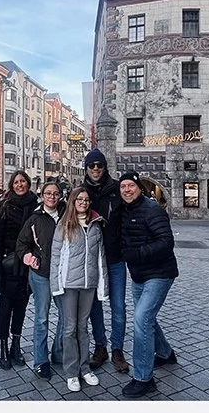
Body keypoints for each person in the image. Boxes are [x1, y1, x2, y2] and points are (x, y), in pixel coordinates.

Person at [118, 173, 180, 396]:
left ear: (139, 187)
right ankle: (165, 353)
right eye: (123, 186)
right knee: (146, 318)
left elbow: (166, 242)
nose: (127, 190)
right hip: (139, 275)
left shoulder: (152, 209)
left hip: (159, 273)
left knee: (142, 319)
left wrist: (137, 254)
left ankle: (144, 378)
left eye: (131, 185)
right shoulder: (124, 210)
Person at [51, 185, 107, 392]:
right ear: (73, 202)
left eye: (86, 200)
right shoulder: (64, 225)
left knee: (83, 328)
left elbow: (101, 258)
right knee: (69, 329)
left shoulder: (95, 226)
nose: (83, 202)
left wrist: (102, 286)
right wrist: (56, 285)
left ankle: (85, 368)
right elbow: (56, 257)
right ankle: (71, 372)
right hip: (69, 285)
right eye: (80, 199)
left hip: (88, 285)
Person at [77, 150, 128, 374]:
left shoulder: (117, 189)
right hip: (92, 260)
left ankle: (117, 349)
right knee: (94, 307)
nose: (96, 168)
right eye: (92, 165)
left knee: (118, 307)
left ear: (105, 166)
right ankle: (100, 347)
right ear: (86, 168)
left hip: (115, 258)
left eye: (99, 165)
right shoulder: (81, 192)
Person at [0, 171, 38, 369]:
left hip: (28, 264)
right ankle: (3, 347)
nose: (20, 185)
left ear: (28, 183)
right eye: (16, 182)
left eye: (23, 181)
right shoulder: (4, 206)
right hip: (8, 264)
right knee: (5, 307)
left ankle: (15, 346)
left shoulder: (36, 205)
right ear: (12, 185)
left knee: (21, 306)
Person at [17, 179, 62, 379]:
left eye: (55, 193)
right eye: (48, 193)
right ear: (42, 196)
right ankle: (41, 361)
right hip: (41, 274)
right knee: (42, 318)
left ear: (60, 196)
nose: (52, 196)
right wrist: (29, 257)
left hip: (62, 274)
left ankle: (59, 352)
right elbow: (21, 244)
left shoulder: (66, 215)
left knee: (66, 317)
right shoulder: (34, 219)